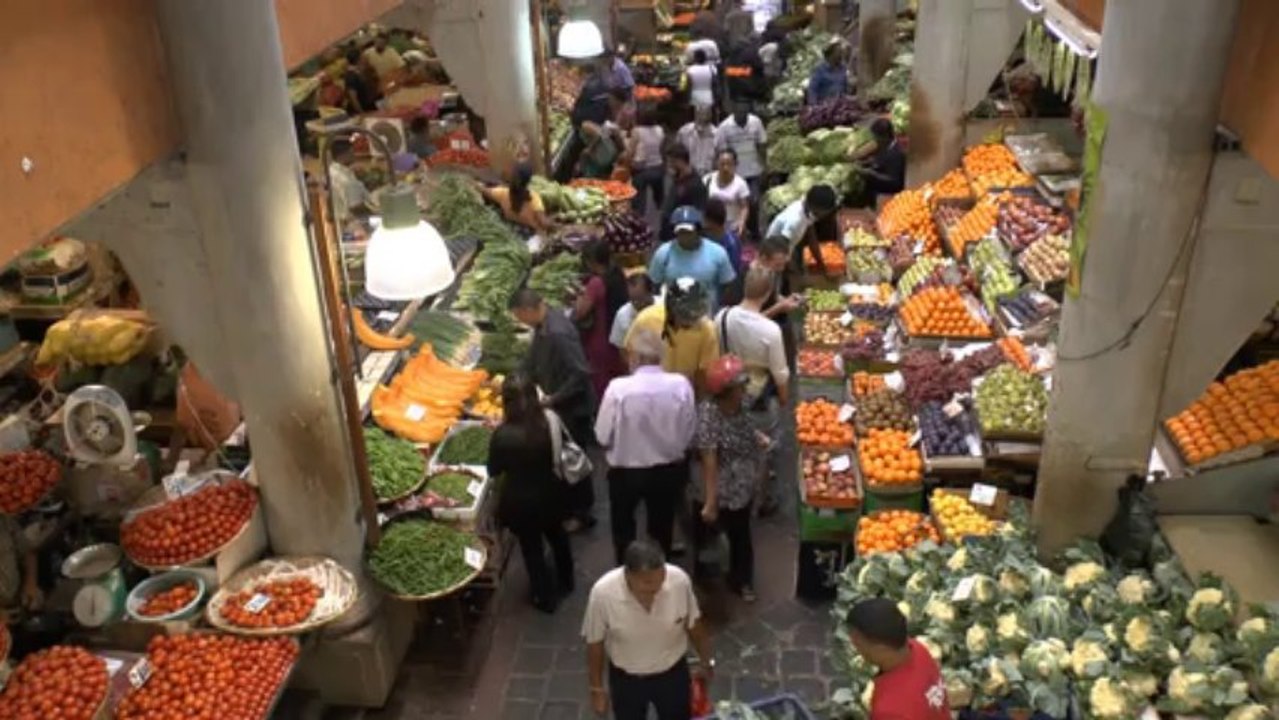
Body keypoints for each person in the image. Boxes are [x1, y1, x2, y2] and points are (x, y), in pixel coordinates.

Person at [594, 327, 697, 563]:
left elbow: (602, 435)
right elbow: (690, 431)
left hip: (625, 473)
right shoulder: (680, 385)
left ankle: (625, 570)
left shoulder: (617, 389)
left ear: (636, 357)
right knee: (662, 524)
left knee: (623, 527)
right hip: (668, 470)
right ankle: (659, 568)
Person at [583, 540, 713, 720]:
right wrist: (596, 689)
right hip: (627, 681)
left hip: (672, 675)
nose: (656, 589)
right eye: (647, 584)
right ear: (628, 575)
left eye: (661, 580)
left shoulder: (679, 581)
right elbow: (595, 643)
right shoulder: (602, 594)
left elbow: (693, 623)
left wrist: (706, 660)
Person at [511, 287, 598, 531]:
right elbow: (533, 357)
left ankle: (583, 514)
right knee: (566, 457)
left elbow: (581, 373)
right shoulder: (545, 324)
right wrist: (518, 377)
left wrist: (553, 399)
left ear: (528, 310)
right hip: (560, 401)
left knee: (574, 458)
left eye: (519, 317)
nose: (520, 322)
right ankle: (572, 507)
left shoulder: (557, 333)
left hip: (573, 407)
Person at [488, 373, 575, 613]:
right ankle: (567, 580)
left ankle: (544, 597)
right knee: (558, 537)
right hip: (553, 493)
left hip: (521, 502)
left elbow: (493, 469)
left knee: (532, 549)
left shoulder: (503, 435)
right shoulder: (550, 420)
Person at [714, 265, 791, 513]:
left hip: (728, 391)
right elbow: (780, 372)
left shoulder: (722, 316)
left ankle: (731, 492)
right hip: (758, 395)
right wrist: (783, 398)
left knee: (732, 444)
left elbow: (717, 352)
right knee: (762, 449)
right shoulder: (770, 330)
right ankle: (761, 501)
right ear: (768, 293)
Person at [692, 355, 768, 601]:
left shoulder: (741, 403)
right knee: (710, 533)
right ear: (725, 392)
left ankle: (742, 579)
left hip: (743, 480)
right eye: (739, 386)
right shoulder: (708, 415)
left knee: (741, 533)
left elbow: (746, 426)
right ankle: (708, 579)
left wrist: (756, 437)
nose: (744, 389)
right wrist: (711, 500)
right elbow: (709, 459)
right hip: (721, 483)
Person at [846, 598, 951, 719]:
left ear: (880, 649)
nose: (854, 645)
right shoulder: (917, 649)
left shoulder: (890, 710)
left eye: (857, 641)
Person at [624, 278, 721, 396]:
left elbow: (703, 375)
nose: (690, 319)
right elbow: (629, 353)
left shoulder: (706, 330)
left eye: (695, 315)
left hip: (683, 397)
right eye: (685, 314)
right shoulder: (646, 320)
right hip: (648, 393)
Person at [648, 207, 736, 313]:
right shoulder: (663, 253)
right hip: (673, 315)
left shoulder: (718, 253)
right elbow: (654, 285)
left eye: (688, 232)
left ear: (698, 230)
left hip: (707, 313)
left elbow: (728, 284)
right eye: (681, 232)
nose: (684, 236)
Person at [576, 240, 629, 401]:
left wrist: (578, 296)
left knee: (601, 382)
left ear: (591, 262)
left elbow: (580, 312)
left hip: (601, 338)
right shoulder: (618, 273)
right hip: (619, 334)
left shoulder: (597, 283)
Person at [755, 235, 803, 381]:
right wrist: (779, 308)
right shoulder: (751, 283)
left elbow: (773, 297)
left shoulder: (770, 273)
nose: (781, 269)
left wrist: (785, 299)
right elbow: (749, 322)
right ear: (763, 259)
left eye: (783, 265)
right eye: (777, 265)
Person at [714, 103, 767, 234]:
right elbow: (721, 151)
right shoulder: (724, 127)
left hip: (753, 170)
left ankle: (754, 230)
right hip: (734, 173)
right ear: (733, 112)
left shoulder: (756, 122)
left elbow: (761, 144)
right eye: (739, 113)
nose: (742, 116)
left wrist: (765, 165)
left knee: (753, 202)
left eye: (745, 113)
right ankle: (738, 229)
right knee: (736, 203)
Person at [765, 184, 839, 276]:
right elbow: (782, 246)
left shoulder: (808, 211)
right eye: (826, 212)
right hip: (773, 254)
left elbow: (812, 236)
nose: (825, 215)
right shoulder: (795, 220)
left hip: (785, 252)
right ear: (817, 208)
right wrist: (794, 272)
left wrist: (820, 264)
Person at [479, 163, 553, 233]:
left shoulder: (504, 193)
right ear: (528, 181)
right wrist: (554, 224)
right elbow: (544, 223)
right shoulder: (534, 198)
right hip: (531, 235)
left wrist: (473, 183)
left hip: (513, 232)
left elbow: (485, 191)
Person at [657, 145, 710, 241]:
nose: (669, 166)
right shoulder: (677, 178)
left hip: (681, 236)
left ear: (681, 161)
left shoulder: (696, 185)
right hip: (668, 232)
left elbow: (699, 214)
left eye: (672, 162)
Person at [851, 117, 908, 201]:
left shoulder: (896, 154)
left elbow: (893, 181)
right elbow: (878, 161)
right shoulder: (883, 146)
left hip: (888, 193)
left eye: (877, 138)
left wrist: (870, 173)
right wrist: (867, 163)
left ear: (885, 137)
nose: (875, 140)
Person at [701, 199, 742, 304]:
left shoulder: (730, 244)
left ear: (709, 221)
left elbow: (732, 276)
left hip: (719, 295)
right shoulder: (704, 235)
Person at [703, 149, 751, 239]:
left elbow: (744, 207)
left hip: (731, 228)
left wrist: (741, 222)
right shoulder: (707, 179)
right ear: (717, 164)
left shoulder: (740, 184)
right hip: (711, 227)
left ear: (735, 165)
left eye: (729, 164)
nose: (725, 168)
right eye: (722, 164)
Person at [628, 106, 666, 215]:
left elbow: (631, 152)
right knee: (659, 192)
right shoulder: (660, 130)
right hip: (657, 168)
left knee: (639, 198)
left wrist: (626, 164)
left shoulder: (637, 131)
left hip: (641, 170)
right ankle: (660, 208)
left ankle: (639, 214)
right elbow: (662, 150)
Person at [610, 271, 655, 356]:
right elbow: (621, 348)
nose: (637, 304)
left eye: (640, 299)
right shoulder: (622, 315)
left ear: (650, 292)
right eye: (633, 300)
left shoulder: (664, 308)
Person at [327, 138, 371, 223]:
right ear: (343, 156)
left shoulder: (331, 170)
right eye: (352, 152)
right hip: (353, 221)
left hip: (338, 216)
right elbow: (356, 208)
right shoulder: (348, 182)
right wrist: (378, 211)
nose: (355, 155)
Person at [676, 106, 719, 179]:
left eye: (705, 107)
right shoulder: (684, 132)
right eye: (699, 107)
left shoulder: (717, 134)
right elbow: (676, 154)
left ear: (711, 112)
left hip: (710, 178)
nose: (702, 111)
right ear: (695, 111)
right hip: (688, 177)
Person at [341, 48, 379, 114]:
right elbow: (353, 99)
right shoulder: (351, 76)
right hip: (364, 109)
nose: (364, 57)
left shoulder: (358, 71)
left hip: (369, 105)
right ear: (358, 59)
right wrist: (362, 113)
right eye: (362, 56)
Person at [683, 50, 718, 115]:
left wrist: (687, 100)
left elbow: (689, 86)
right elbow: (715, 85)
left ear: (695, 58)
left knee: (695, 117)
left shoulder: (690, 70)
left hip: (695, 98)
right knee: (708, 117)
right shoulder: (712, 68)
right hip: (709, 97)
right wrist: (716, 99)